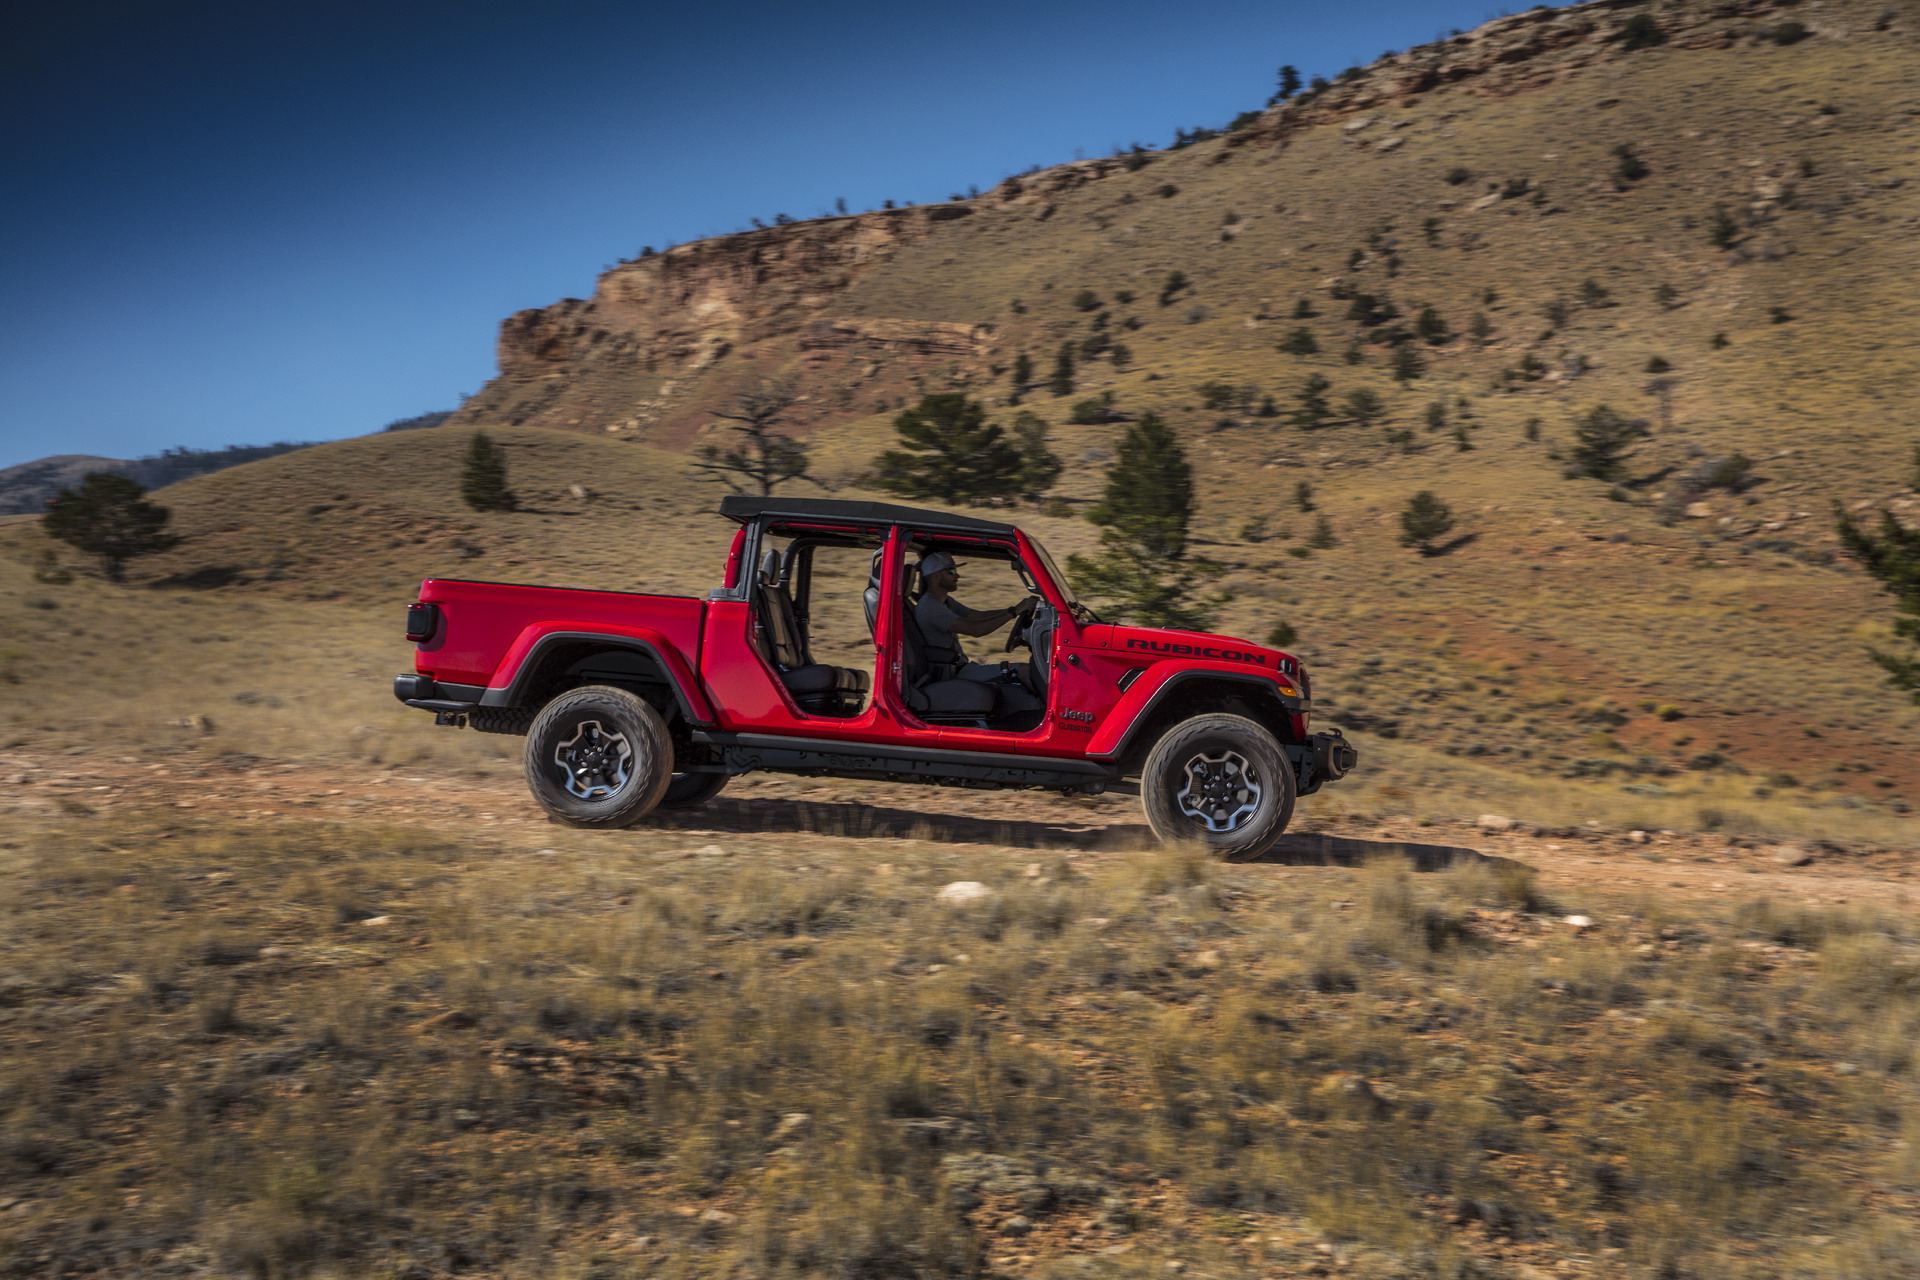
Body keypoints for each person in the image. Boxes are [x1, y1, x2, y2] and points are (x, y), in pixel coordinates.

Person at [914, 551, 1042, 706]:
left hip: (958, 668)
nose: (957, 576)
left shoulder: (944, 601)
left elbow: (977, 616)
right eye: (952, 571)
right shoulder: (930, 607)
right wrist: (1014, 612)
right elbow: (975, 629)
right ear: (936, 576)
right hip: (951, 675)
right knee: (1023, 671)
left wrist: (1015, 610)